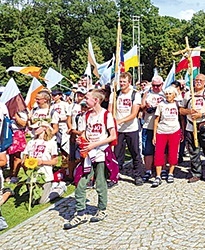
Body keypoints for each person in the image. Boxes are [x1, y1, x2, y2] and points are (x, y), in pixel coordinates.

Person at [65, 89, 118, 229]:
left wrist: (94, 144)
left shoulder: (106, 115)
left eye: (87, 98)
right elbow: (83, 133)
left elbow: (112, 136)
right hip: (88, 154)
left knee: (100, 183)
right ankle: (80, 213)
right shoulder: (86, 115)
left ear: (96, 100)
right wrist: (80, 140)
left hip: (100, 153)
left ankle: (102, 209)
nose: (84, 100)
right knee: (80, 183)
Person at [179, 74, 205, 184]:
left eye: (201, 80)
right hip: (191, 127)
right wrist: (189, 112)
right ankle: (196, 173)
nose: (198, 82)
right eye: (196, 80)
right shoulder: (188, 94)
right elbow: (181, 110)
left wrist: (201, 115)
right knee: (193, 151)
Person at [110, 72, 144, 186]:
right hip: (118, 129)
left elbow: (134, 114)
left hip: (131, 128)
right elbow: (110, 110)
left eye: (124, 82)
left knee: (135, 152)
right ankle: (115, 175)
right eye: (120, 81)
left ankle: (138, 175)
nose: (122, 84)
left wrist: (120, 120)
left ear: (129, 82)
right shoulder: (115, 94)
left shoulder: (135, 94)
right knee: (117, 153)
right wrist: (111, 121)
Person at [22, 122, 59, 205]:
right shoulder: (31, 142)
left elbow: (55, 161)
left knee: (42, 201)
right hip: (33, 175)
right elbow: (25, 157)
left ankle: (59, 189)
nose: (34, 130)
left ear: (44, 128)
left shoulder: (51, 143)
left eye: (36, 128)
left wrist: (42, 162)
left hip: (45, 174)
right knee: (33, 201)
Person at [151, 87, 181, 187]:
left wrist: (182, 131)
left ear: (174, 95)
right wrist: (154, 135)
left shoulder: (177, 104)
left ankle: (171, 173)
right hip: (162, 131)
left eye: (170, 94)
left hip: (174, 131)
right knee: (159, 153)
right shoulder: (161, 105)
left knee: (173, 153)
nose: (168, 95)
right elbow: (156, 120)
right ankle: (158, 175)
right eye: (167, 93)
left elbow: (181, 119)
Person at [140, 75, 165, 182]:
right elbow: (141, 107)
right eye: (154, 85)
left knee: (162, 150)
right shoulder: (147, 93)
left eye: (157, 86)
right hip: (148, 125)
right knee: (147, 150)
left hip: (163, 126)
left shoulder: (165, 94)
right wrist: (146, 106)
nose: (155, 88)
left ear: (162, 84)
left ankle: (162, 169)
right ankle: (148, 170)